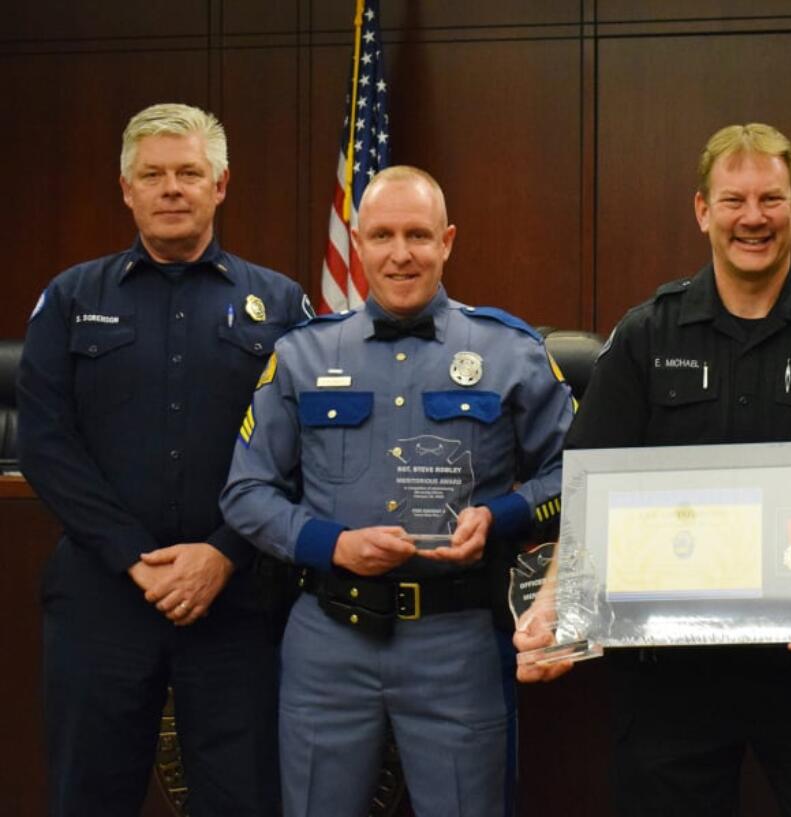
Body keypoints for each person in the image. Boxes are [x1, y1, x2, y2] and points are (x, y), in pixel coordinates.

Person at [517, 123, 791, 816]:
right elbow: (592, 488)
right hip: (674, 671)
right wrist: (556, 608)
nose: (752, 218)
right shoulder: (647, 333)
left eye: (770, 198)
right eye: (733, 200)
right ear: (703, 211)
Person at [220, 165, 574, 817]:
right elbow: (245, 492)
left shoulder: (510, 351)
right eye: (382, 235)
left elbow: (578, 474)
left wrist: (503, 514)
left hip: (458, 639)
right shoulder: (302, 354)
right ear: (358, 244)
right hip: (328, 638)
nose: (401, 252)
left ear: (448, 241)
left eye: (418, 234)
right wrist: (333, 544)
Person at [17, 102, 310, 816]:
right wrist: (133, 556)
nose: (171, 187)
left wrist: (222, 554)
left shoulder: (279, 303)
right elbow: (45, 444)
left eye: (188, 172)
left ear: (221, 184)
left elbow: (306, 449)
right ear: (126, 189)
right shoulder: (69, 298)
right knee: (89, 794)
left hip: (237, 598)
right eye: (153, 174)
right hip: (102, 597)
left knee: (245, 798)